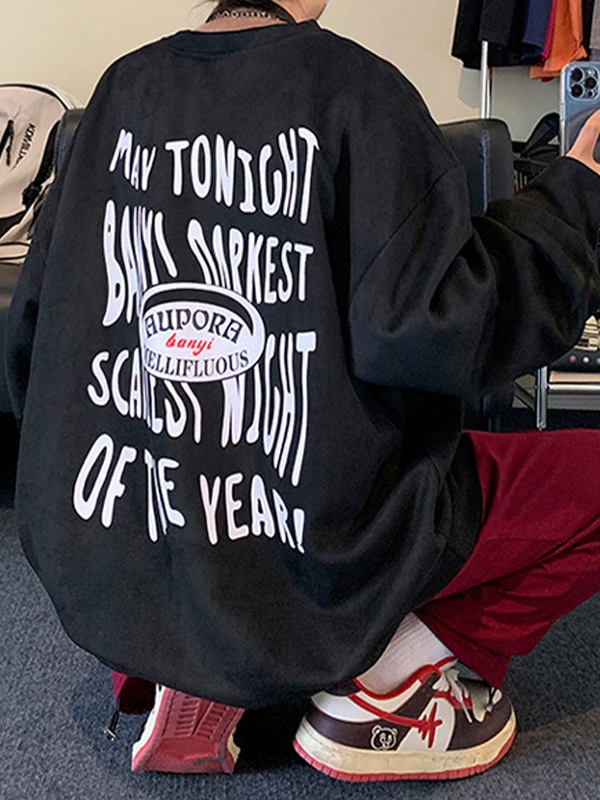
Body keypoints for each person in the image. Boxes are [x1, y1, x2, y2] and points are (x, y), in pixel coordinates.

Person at [6, 0, 600, 783]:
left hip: (123, 540)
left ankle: (177, 655)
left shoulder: (119, 92)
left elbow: (31, 342)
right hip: (313, 547)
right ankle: (389, 679)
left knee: (185, 519)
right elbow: (441, 330)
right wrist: (573, 201)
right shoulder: (358, 92)